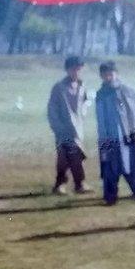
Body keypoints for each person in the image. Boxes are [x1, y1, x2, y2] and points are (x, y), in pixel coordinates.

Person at [95, 61, 135, 205]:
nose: (108, 77)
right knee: (109, 167)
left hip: (129, 136)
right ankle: (110, 196)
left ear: (116, 73)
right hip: (108, 138)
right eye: (105, 75)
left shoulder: (129, 92)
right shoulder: (100, 95)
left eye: (111, 74)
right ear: (101, 76)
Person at [47, 55, 93, 195]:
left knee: (77, 156)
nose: (77, 72)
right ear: (68, 70)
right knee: (64, 157)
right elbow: (52, 109)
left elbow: (85, 102)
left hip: (77, 129)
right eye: (74, 69)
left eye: (79, 69)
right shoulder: (59, 87)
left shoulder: (82, 85)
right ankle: (60, 184)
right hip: (63, 129)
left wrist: (83, 114)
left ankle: (80, 184)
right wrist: (57, 127)